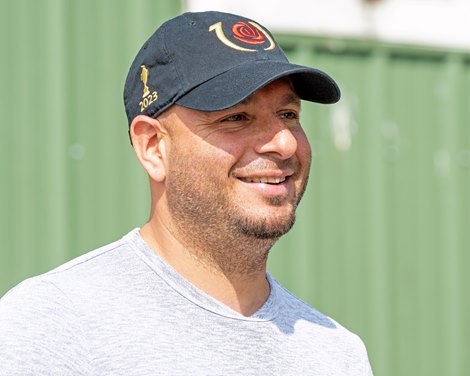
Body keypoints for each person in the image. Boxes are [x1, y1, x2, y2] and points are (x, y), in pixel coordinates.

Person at [0, 11, 372, 375]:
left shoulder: (335, 352)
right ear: (152, 147)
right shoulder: (53, 327)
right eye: (236, 117)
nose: (284, 143)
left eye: (289, 115)